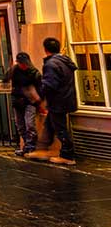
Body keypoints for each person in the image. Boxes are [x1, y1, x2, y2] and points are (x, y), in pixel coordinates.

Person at [31, 37, 78, 166]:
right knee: (50, 125)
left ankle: (67, 155)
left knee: (60, 128)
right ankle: (42, 149)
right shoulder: (64, 61)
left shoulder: (51, 64)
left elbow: (49, 85)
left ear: (45, 49)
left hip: (58, 101)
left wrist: (39, 95)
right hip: (66, 98)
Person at [4, 52, 42, 157]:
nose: (22, 65)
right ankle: (26, 146)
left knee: (29, 124)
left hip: (30, 102)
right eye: (20, 63)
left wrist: (38, 101)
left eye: (23, 63)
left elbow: (40, 87)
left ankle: (30, 147)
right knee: (20, 125)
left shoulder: (34, 72)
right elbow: (5, 79)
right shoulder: (14, 70)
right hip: (17, 101)